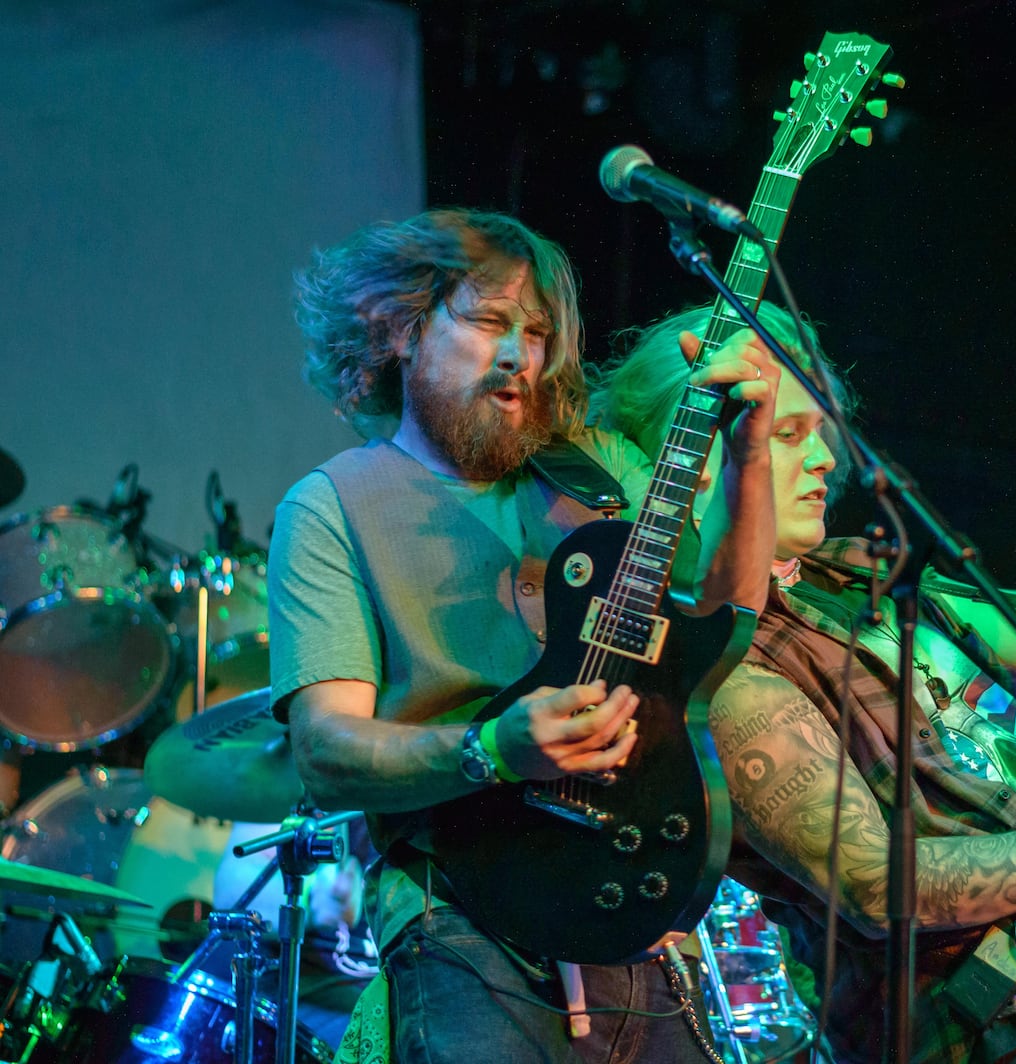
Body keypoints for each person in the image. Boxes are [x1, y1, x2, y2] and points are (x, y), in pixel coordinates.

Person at [596, 302, 1016, 1064]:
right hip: (994, 1026)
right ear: (698, 457)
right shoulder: (727, 668)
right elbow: (879, 888)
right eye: (787, 434)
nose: (823, 460)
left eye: (821, 431)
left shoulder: (845, 574)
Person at [268, 209, 781, 1063]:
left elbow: (724, 624)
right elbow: (324, 754)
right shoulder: (332, 506)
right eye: (487, 322)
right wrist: (490, 751)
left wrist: (750, 461)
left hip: (634, 894)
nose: (520, 356)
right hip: (464, 914)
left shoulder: (601, 470)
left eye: (537, 332)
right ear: (400, 330)